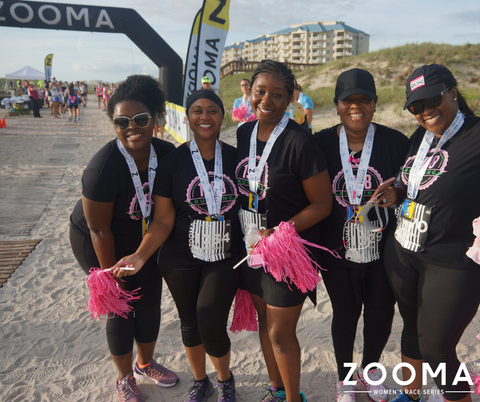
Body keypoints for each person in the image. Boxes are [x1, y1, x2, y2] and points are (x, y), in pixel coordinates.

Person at [113, 89, 242, 402]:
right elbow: (162, 220)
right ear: (188, 118)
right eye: (197, 110)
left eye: (212, 110)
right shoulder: (173, 163)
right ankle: (201, 381)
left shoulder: (238, 160)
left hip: (225, 255)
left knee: (209, 318)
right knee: (189, 321)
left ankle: (225, 379)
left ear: (222, 116)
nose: (205, 117)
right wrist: (141, 255)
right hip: (179, 256)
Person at [69, 74, 178, 402]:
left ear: (156, 118)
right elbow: (99, 228)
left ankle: (145, 363)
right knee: (122, 306)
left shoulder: (167, 154)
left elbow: (162, 216)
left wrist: (142, 256)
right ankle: (123, 376)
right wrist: (111, 276)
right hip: (97, 237)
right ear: (113, 123)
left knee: (149, 302)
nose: (132, 127)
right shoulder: (102, 169)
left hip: (145, 235)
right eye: (121, 121)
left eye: (141, 119)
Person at [235, 60, 332, 402]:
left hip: (286, 252)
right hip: (251, 249)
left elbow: (322, 204)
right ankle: (276, 390)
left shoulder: (300, 142)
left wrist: (280, 230)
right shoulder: (244, 132)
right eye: (261, 92)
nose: (267, 100)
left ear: (291, 98)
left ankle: (293, 398)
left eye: (277, 95)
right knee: (264, 321)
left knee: (279, 330)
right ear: (250, 93)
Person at [384, 64, 480, 402]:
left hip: (453, 260)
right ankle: (411, 396)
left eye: (431, 100)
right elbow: (413, 182)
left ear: (452, 91)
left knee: (437, 347)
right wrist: (396, 190)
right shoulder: (420, 137)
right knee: (411, 326)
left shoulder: (476, 133)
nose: (425, 112)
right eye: (416, 107)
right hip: (406, 250)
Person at [314, 68, 409, 402]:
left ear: (374, 103)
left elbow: (411, 184)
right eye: (348, 100)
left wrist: (397, 191)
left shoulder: (397, 142)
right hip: (336, 251)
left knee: (381, 313)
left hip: (384, 249)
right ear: (337, 104)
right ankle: (345, 380)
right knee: (345, 313)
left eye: (364, 100)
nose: (356, 107)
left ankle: (370, 372)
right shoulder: (321, 143)